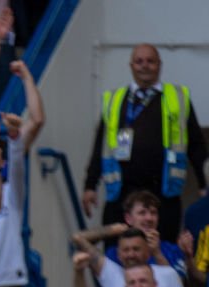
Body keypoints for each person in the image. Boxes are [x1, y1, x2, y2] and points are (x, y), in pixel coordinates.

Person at [83, 44, 207, 242]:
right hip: (122, 192)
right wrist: (90, 185)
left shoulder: (177, 97)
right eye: (139, 61)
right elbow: (100, 145)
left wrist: (204, 182)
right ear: (131, 66)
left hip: (163, 192)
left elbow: (196, 144)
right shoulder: (114, 99)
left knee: (163, 251)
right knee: (117, 253)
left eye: (150, 61)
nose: (145, 66)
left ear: (159, 65)